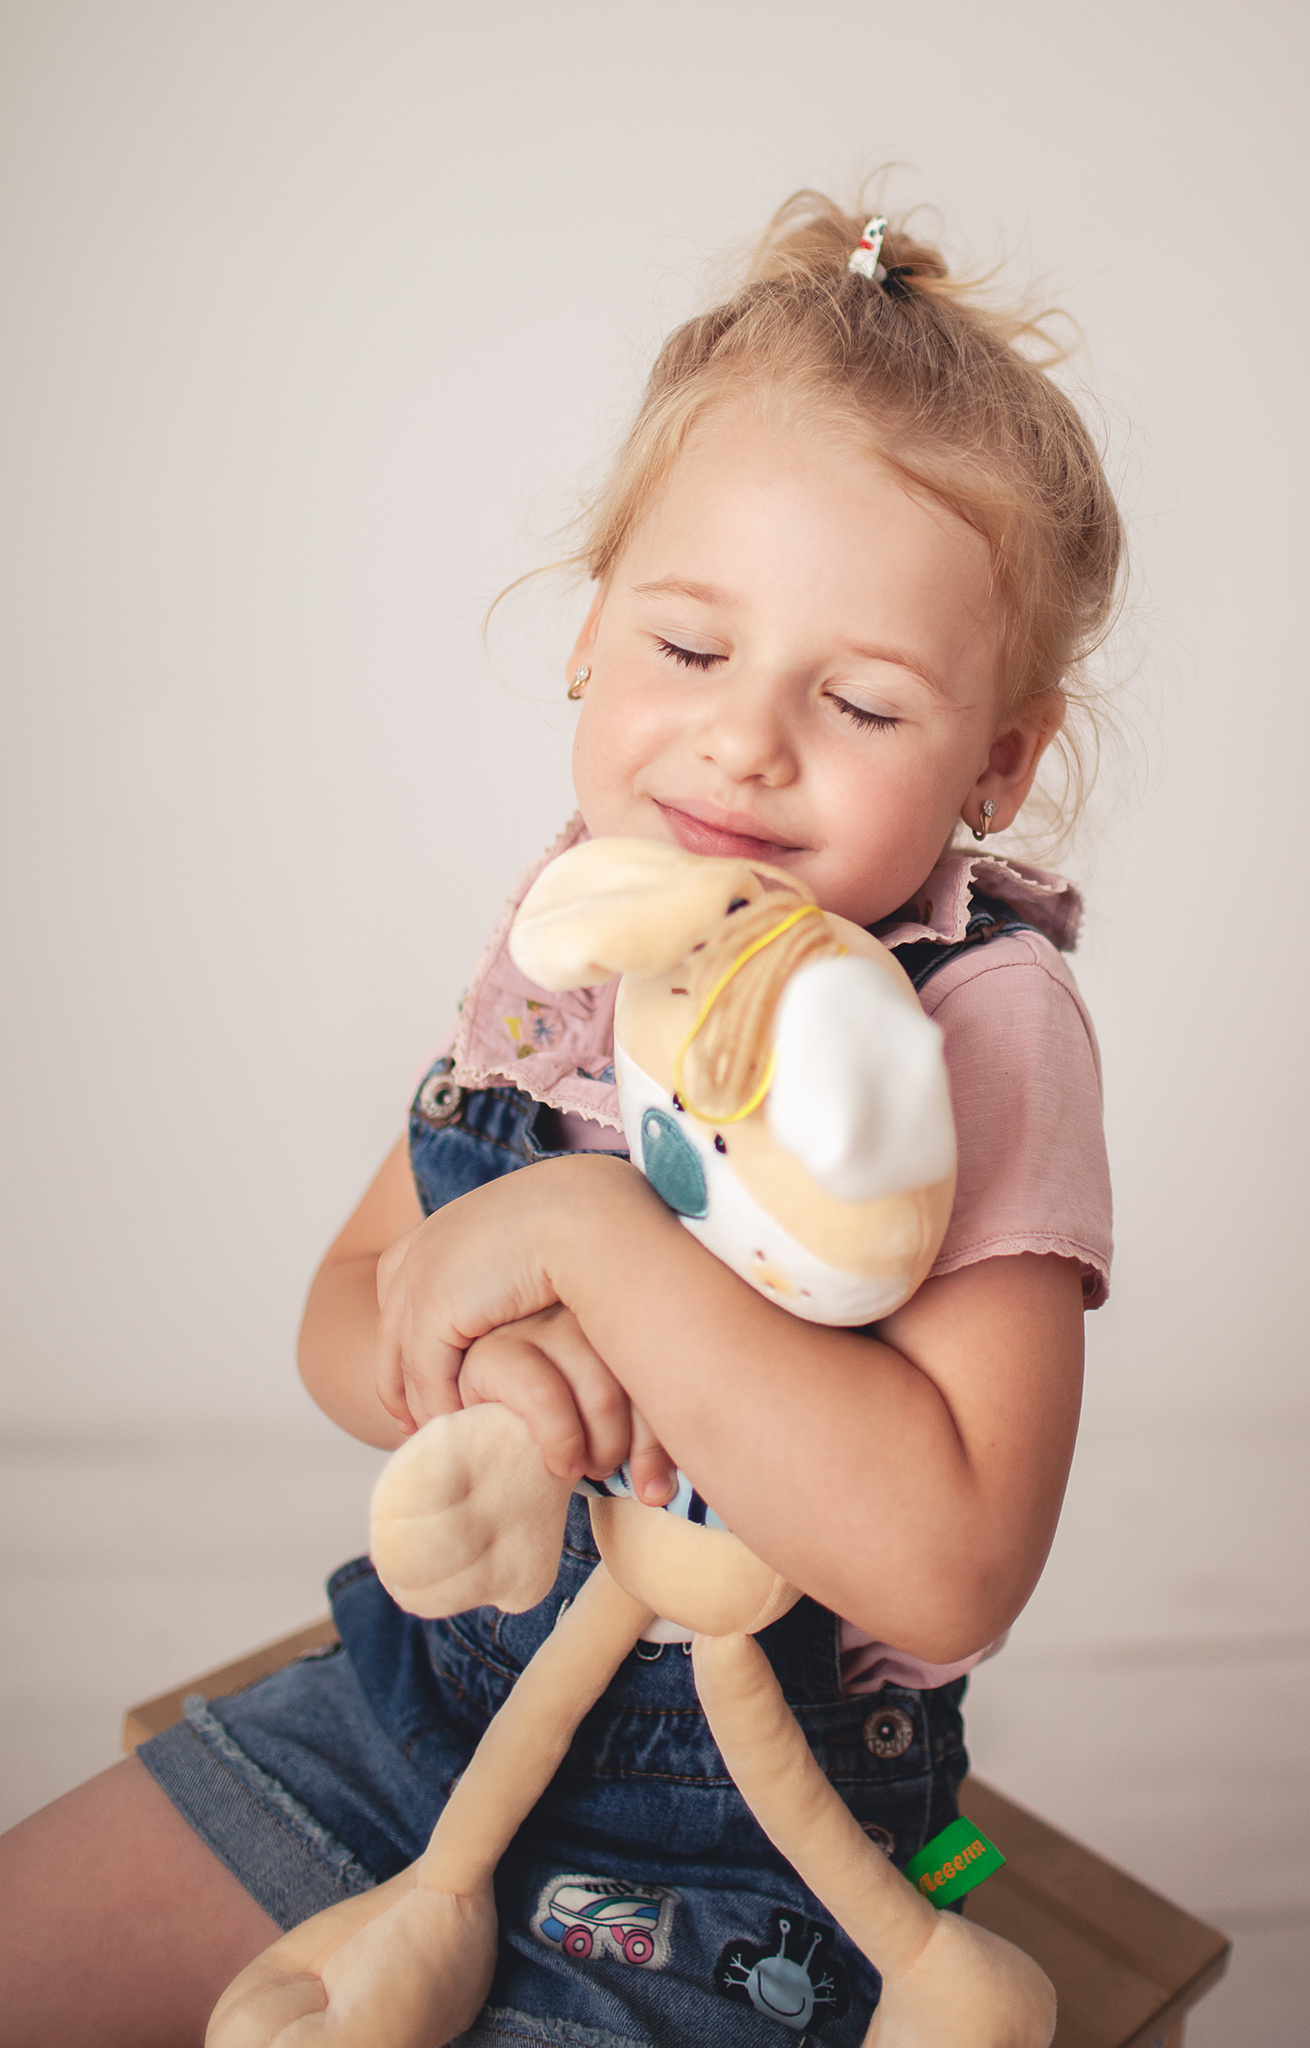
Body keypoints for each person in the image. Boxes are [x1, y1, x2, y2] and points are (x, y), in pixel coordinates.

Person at [0, 193, 1121, 2048]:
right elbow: (345, 1311)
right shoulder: (582, 923)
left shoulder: (973, 1020)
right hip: (412, 1720)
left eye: (858, 702)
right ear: (593, 628)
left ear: (998, 760)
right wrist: (474, 1364)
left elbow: (954, 1555)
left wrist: (590, 1240)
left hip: (744, 1850)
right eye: (690, 649)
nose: (744, 742)